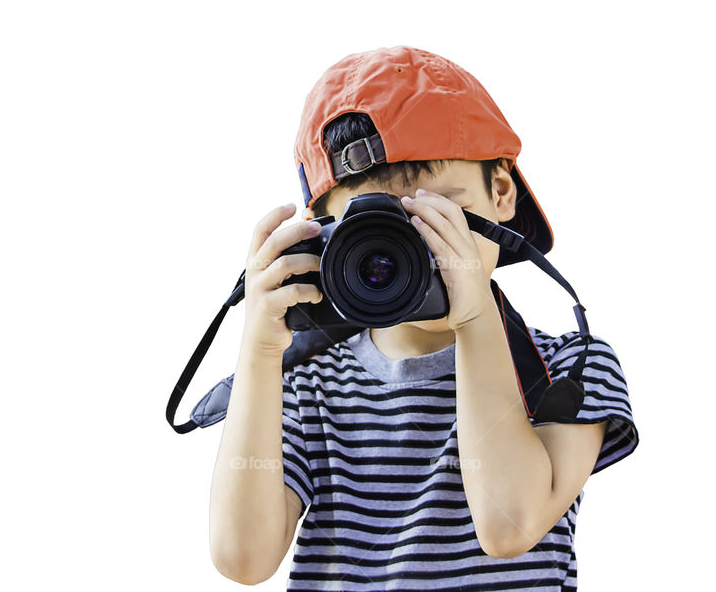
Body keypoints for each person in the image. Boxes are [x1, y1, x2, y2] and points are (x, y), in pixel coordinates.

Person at [207, 46, 639, 591]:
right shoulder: (309, 384)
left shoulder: (569, 369)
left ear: (501, 192)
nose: (413, 249)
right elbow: (243, 559)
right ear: (324, 237)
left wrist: (476, 316)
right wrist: (260, 353)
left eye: (438, 211)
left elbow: (509, 525)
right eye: (377, 227)